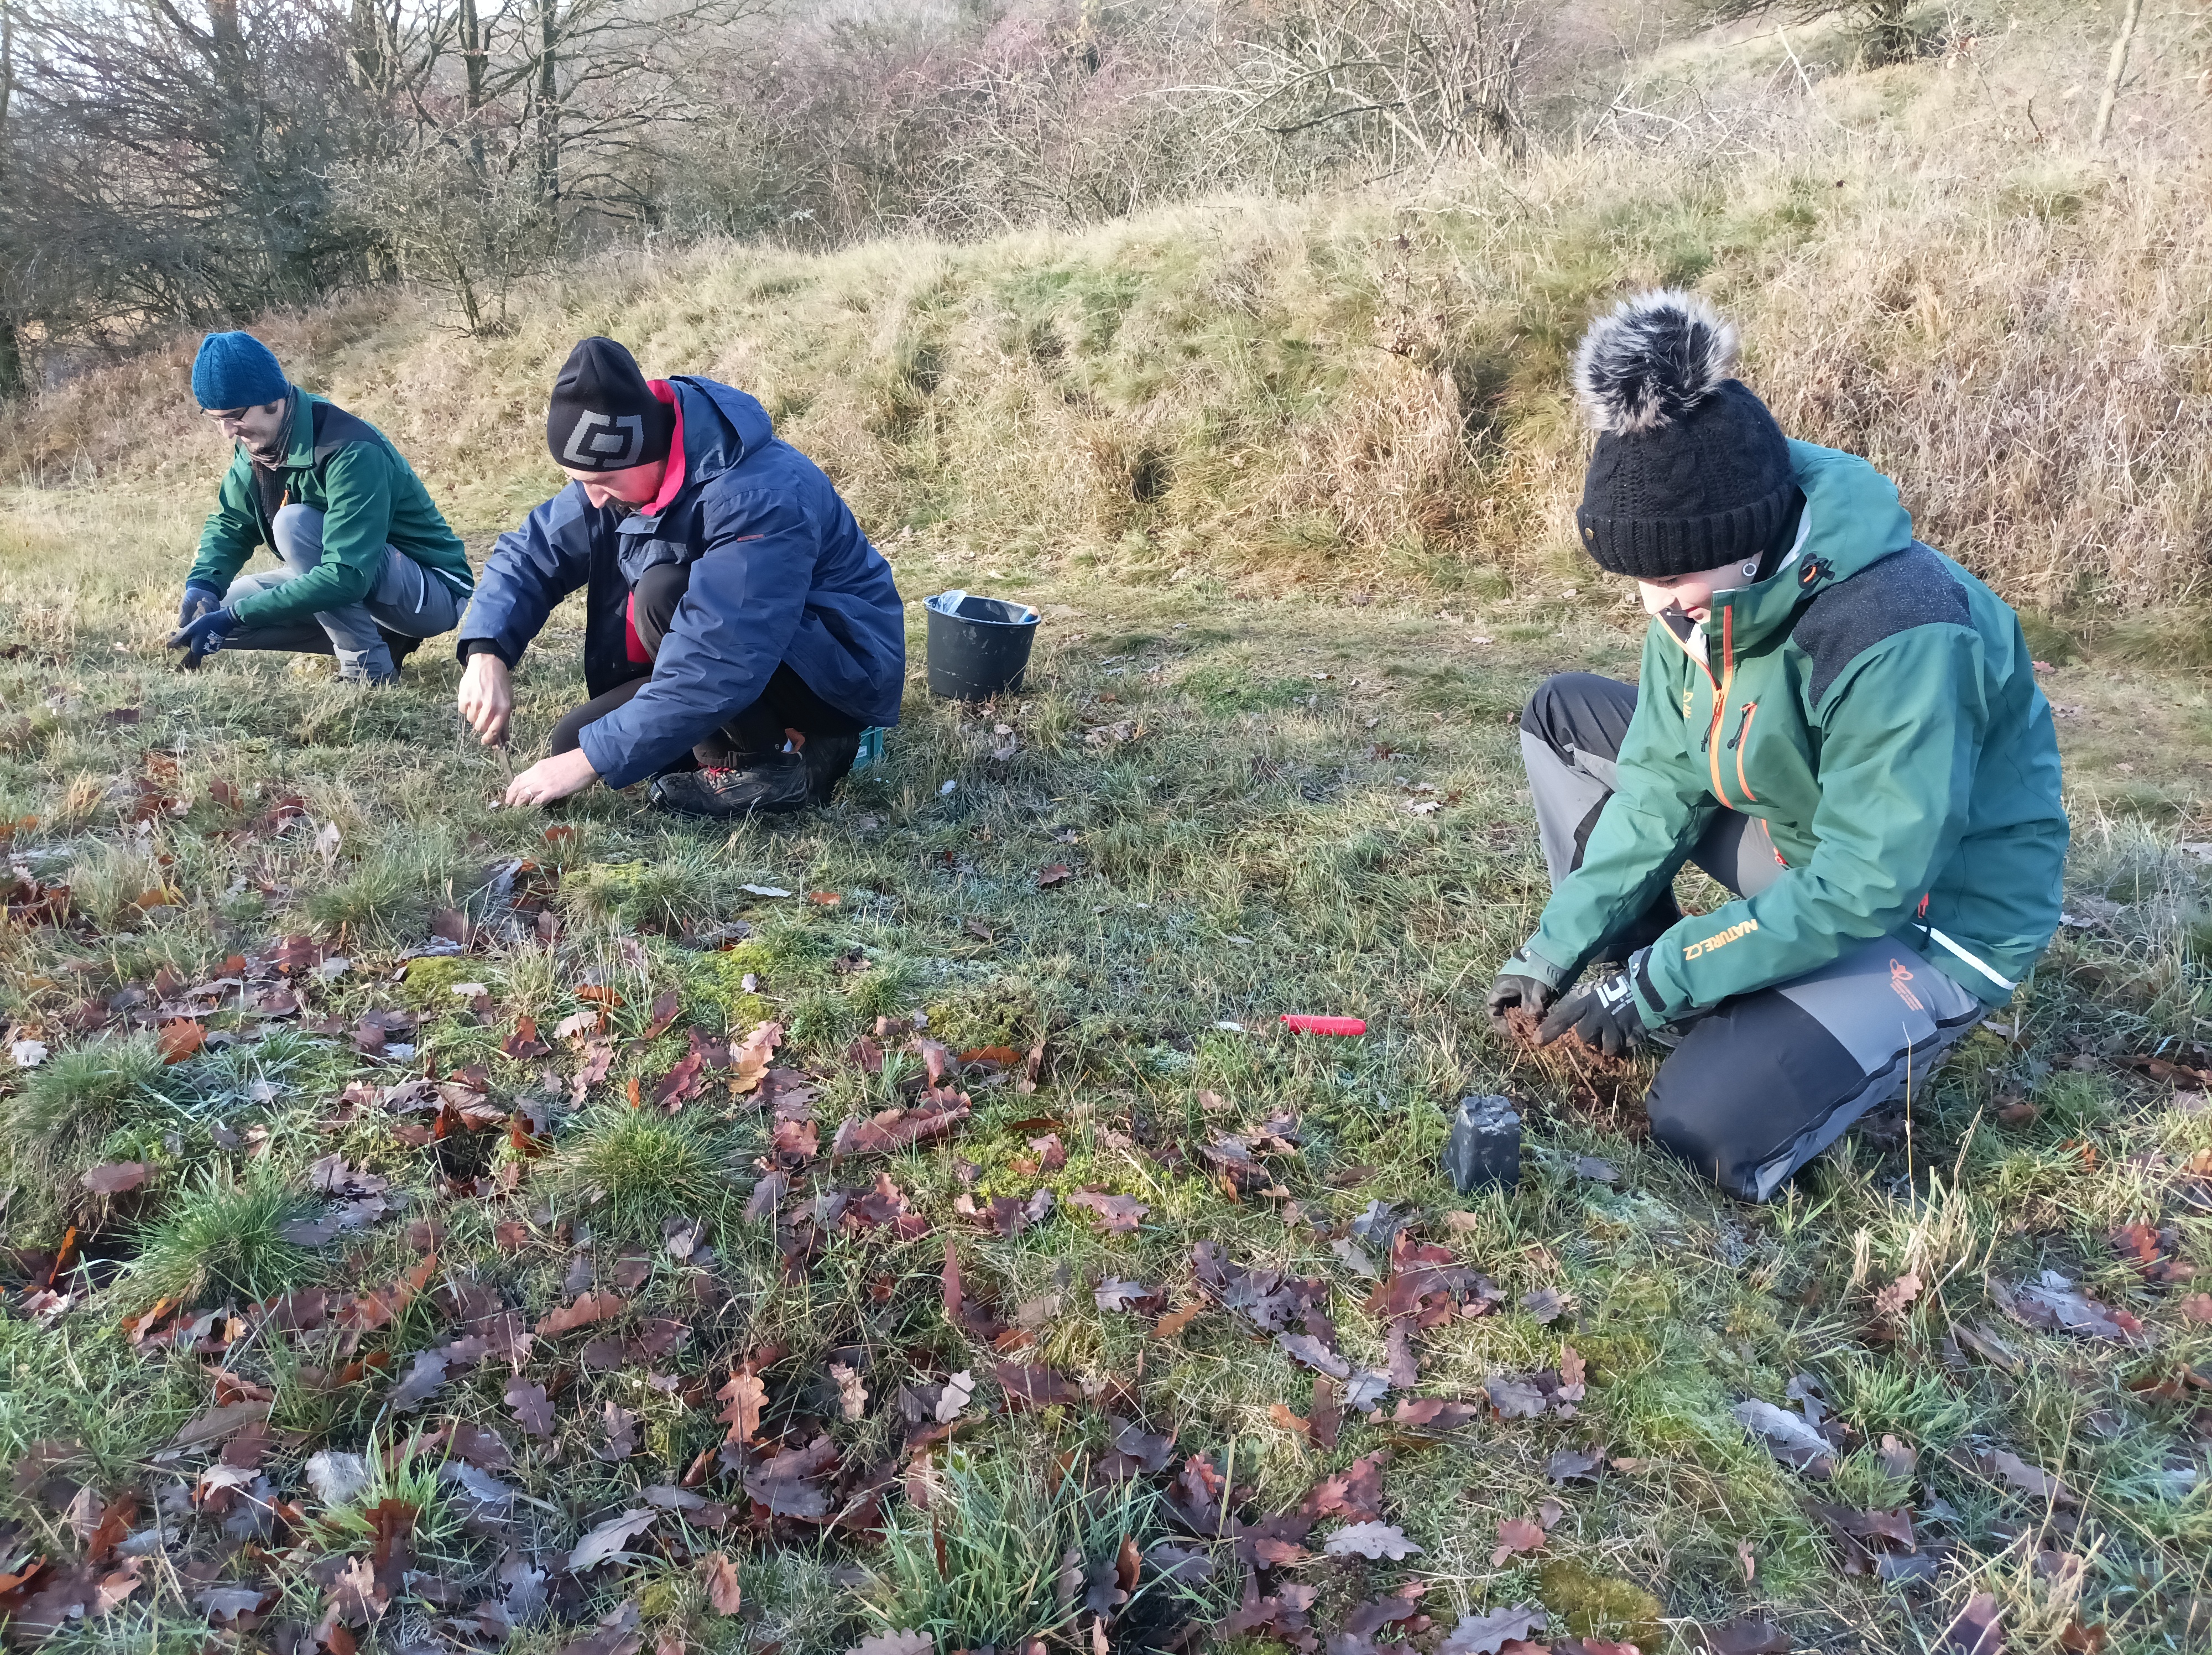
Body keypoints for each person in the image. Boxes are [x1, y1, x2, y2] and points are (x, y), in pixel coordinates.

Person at [1485, 292, 2067, 1202]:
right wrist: (1550, 953)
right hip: (1805, 848)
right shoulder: (1696, 607)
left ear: (1747, 539)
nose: (1654, 604)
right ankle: (1695, 982)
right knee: (1568, 715)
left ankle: (1838, 1018)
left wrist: (1659, 980)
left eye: (1672, 575)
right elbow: (1660, 784)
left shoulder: (1895, 625)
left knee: (1702, 1125)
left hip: (1929, 922)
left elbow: (1869, 879)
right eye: (1639, 577)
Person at [455, 337, 904, 818]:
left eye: (600, 483)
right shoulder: (617, 472)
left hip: (835, 668)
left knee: (660, 594)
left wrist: (591, 761)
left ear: (649, 452)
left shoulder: (757, 496)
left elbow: (723, 656)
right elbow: (533, 550)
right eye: (579, 482)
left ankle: (777, 763)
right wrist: (487, 653)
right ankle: (734, 744)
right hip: (730, 649)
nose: (594, 499)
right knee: (571, 741)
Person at [169, 331, 473, 683]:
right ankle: (386, 640)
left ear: (271, 399)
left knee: (292, 525)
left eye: (234, 416)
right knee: (216, 613)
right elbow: (232, 522)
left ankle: (367, 669)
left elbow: (346, 577)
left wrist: (238, 616)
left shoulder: (350, 449)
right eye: (215, 418)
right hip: (355, 575)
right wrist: (204, 582)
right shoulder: (256, 441)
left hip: (431, 593)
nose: (226, 432)